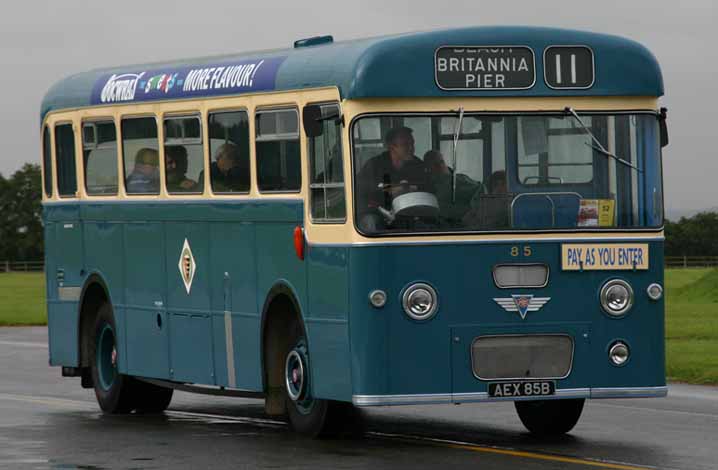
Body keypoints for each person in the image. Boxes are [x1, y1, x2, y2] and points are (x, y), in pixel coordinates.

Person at [356, 127, 429, 229]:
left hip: (410, 213)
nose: (411, 148)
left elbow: (428, 188)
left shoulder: (418, 165)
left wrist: (412, 189)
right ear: (391, 147)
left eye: (412, 143)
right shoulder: (374, 165)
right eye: (405, 144)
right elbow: (360, 191)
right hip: (378, 213)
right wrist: (390, 189)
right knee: (371, 222)